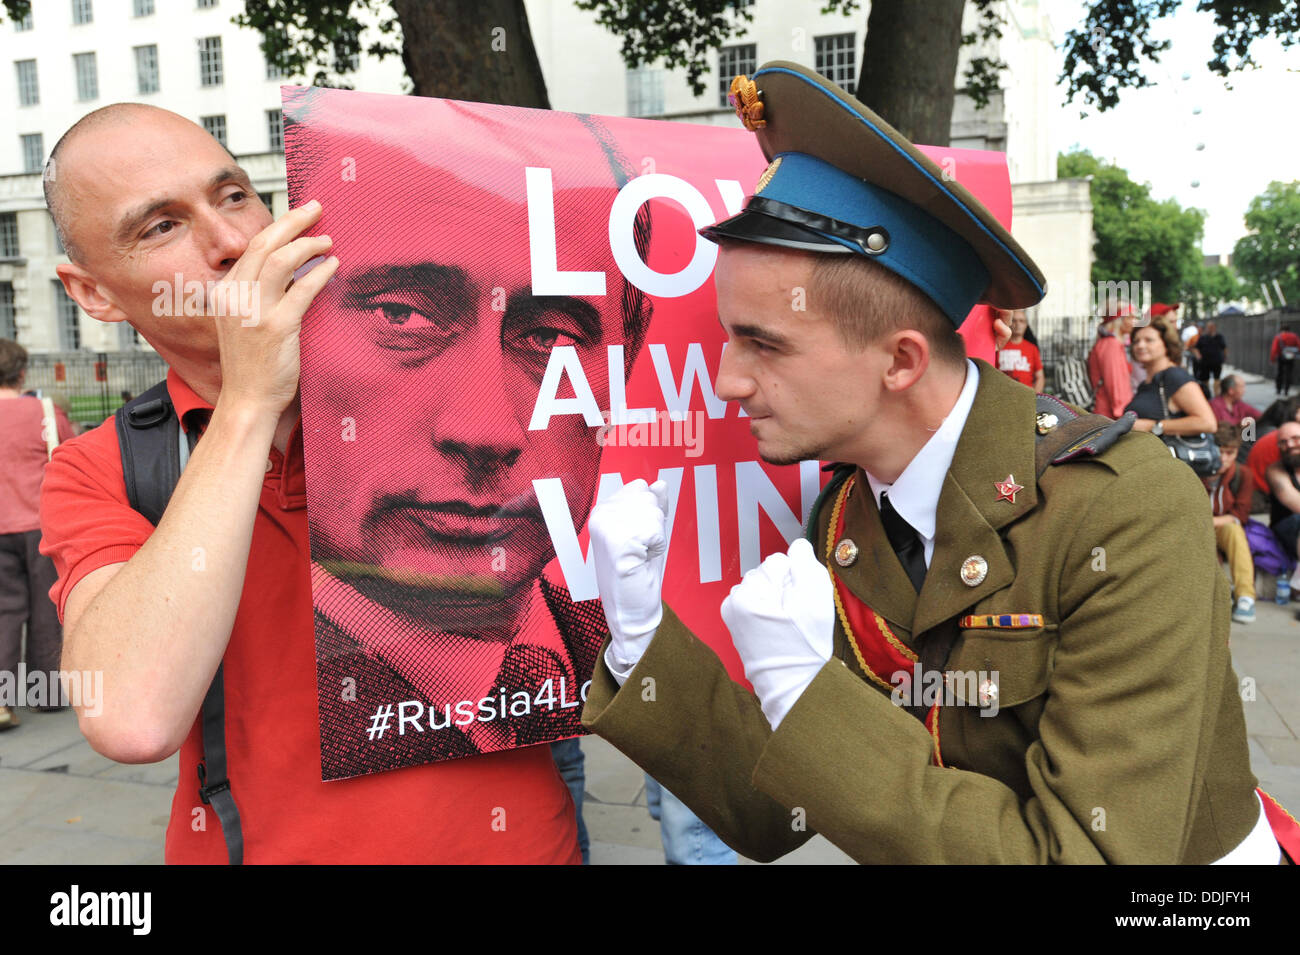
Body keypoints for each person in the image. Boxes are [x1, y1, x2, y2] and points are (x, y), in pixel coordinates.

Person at [579, 60, 1288, 863]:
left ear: (901, 360)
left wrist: (809, 695)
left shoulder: (1122, 508)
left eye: (763, 343)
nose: (726, 378)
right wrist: (640, 642)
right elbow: (783, 803)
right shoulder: (848, 519)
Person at [37, 103, 580, 863]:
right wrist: (250, 401)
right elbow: (132, 718)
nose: (232, 242)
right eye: (161, 226)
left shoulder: (459, 399)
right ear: (91, 291)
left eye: (233, 196)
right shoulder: (102, 466)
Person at [0, 340, 76, 730]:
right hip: (39, 522)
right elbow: (67, 453)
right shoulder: (45, 411)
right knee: (47, 606)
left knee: (5, 611)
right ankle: (45, 692)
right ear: (22, 373)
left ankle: (3, 699)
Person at [1122, 317, 1217, 440]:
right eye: (1136, 341)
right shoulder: (1148, 382)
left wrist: (1153, 426)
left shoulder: (1174, 377)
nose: (1140, 345)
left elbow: (1208, 423)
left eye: (1149, 340)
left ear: (1166, 344)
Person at [1204, 424, 1256, 624]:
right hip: (1198, 530)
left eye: (1230, 452)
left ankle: (1245, 596)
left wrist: (1211, 522)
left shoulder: (1242, 474)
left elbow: (1240, 514)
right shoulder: (1197, 470)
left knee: (1233, 530)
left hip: (1223, 528)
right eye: (1220, 451)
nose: (1224, 458)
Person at [1265, 421, 1300, 594]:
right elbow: (1295, 503)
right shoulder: (1275, 470)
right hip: (1287, 526)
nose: (1290, 445)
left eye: (1295, 438)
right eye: (1283, 442)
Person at [1086, 304, 1134, 417]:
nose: (1134, 322)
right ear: (1118, 320)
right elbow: (1116, 385)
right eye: (1129, 317)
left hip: (1107, 414)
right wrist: (1124, 415)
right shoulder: (1111, 345)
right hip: (1109, 416)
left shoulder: (1108, 343)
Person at [994, 308, 1043, 392]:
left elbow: (1040, 376)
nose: (1018, 324)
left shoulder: (1032, 348)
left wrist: (1035, 397)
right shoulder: (998, 345)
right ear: (1009, 323)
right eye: (1014, 321)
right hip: (1002, 395)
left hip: (1026, 396)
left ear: (1026, 325)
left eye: (1021, 321)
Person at [1269, 325, 1300, 396]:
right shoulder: (1294, 336)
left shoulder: (1279, 337)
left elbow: (1274, 349)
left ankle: (1278, 389)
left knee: (1280, 373)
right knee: (1288, 373)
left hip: (1281, 357)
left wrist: (1272, 359)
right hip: (1291, 357)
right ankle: (1286, 390)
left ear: (1282, 330)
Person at [1195, 321, 1227, 386]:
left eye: (1212, 327)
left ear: (1215, 327)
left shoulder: (1219, 337)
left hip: (1216, 362)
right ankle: (1207, 394)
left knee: (1217, 379)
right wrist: (1198, 355)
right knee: (1205, 380)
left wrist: (1224, 357)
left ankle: (1216, 395)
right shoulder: (1203, 337)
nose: (1210, 329)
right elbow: (1196, 348)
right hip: (1205, 362)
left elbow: (1224, 348)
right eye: (1209, 327)